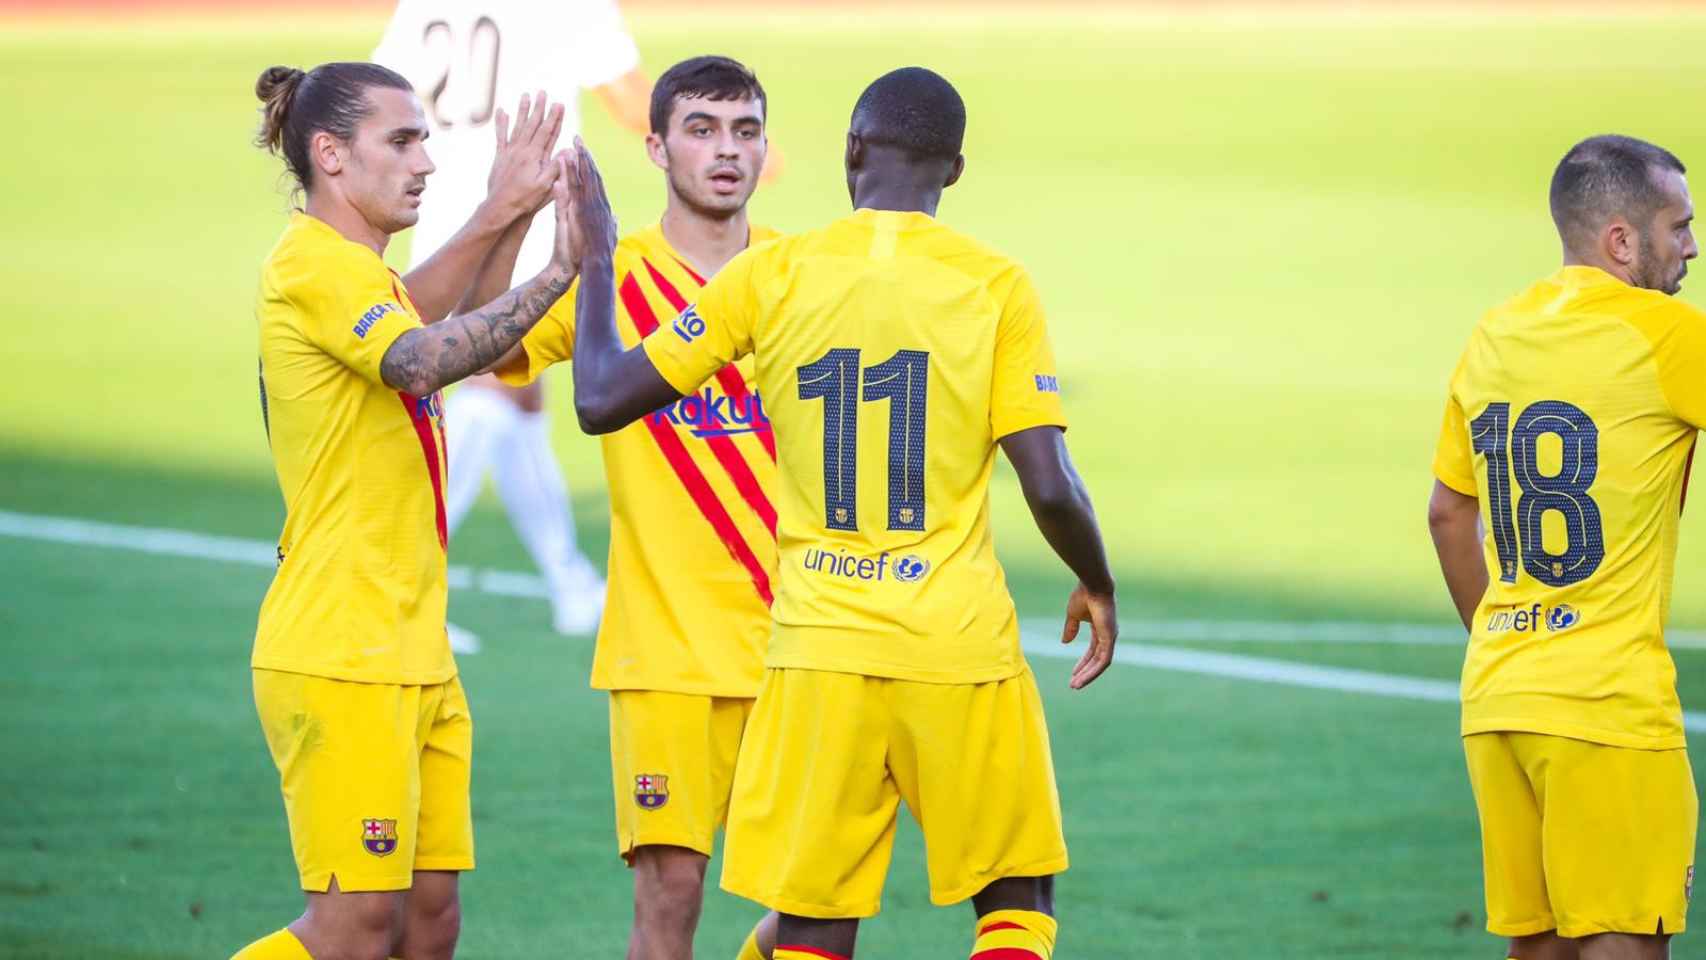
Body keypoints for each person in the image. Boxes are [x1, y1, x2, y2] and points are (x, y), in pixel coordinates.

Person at [559, 66, 1119, 960]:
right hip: (956, 646)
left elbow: (600, 398)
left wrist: (593, 255)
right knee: (1015, 901)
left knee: (814, 923)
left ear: (850, 151)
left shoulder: (769, 274)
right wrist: (1096, 580)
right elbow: (1051, 486)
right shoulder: (996, 285)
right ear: (956, 171)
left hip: (816, 650)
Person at [233, 62, 579, 960]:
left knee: (428, 930)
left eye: (424, 137)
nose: (425, 159)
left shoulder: (364, 278)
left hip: (413, 648)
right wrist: (562, 271)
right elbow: (423, 360)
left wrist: (509, 209)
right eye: (403, 140)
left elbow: (434, 310)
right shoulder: (311, 265)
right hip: (341, 651)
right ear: (330, 155)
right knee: (351, 933)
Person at [473, 54, 783, 960]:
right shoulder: (612, 272)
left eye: (745, 130)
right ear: (654, 146)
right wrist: (512, 215)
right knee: (669, 897)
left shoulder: (804, 275)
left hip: (799, 640)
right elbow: (477, 341)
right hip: (666, 653)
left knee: (822, 895)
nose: (726, 151)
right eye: (701, 129)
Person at [1429, 134, 1700, 960]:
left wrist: (1515, 641)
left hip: (1502, 698)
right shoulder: (1667, 333)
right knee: (1623, 940)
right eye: (1679, 225)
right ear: (1623, 240)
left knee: (1539, 946)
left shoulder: (1495, 334)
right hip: (1609, 708)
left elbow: (1448, 515)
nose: (1691, 245)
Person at [372, 0, 655, 643]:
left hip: (441, 210)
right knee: (487, 389)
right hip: (519, 208)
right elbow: (630, 100)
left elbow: (380, 90)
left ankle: (569, 581)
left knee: (520, 399)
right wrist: (734, 144)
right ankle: (407, 589)